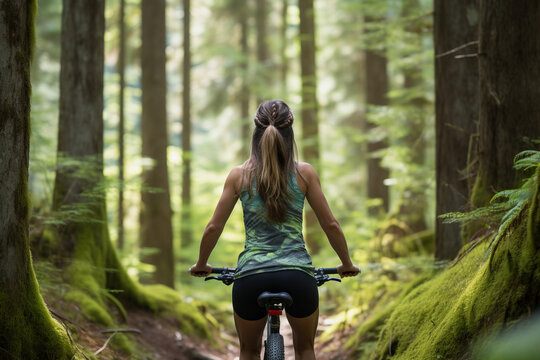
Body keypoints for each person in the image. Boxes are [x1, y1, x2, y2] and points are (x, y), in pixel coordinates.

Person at [190, 100, 359, 360]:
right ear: (290, 134)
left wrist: (202, 263)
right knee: (305, 349)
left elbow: (214, 227)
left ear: (256, 134)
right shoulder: (305, 174)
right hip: (297, 276)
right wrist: (346, 263)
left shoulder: (239, 175)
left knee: (248, 350)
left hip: (251, 277)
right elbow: (331, 225)